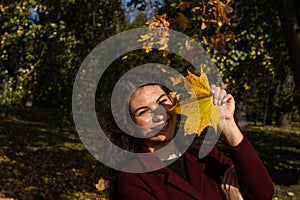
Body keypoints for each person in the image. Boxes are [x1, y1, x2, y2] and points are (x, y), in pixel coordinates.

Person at [104, 72, 274, 200]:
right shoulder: (133, 179)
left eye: (162, 102)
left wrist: (227, 123)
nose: (159, 114)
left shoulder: (206, 157)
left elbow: (262, 193)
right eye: (143, 111)